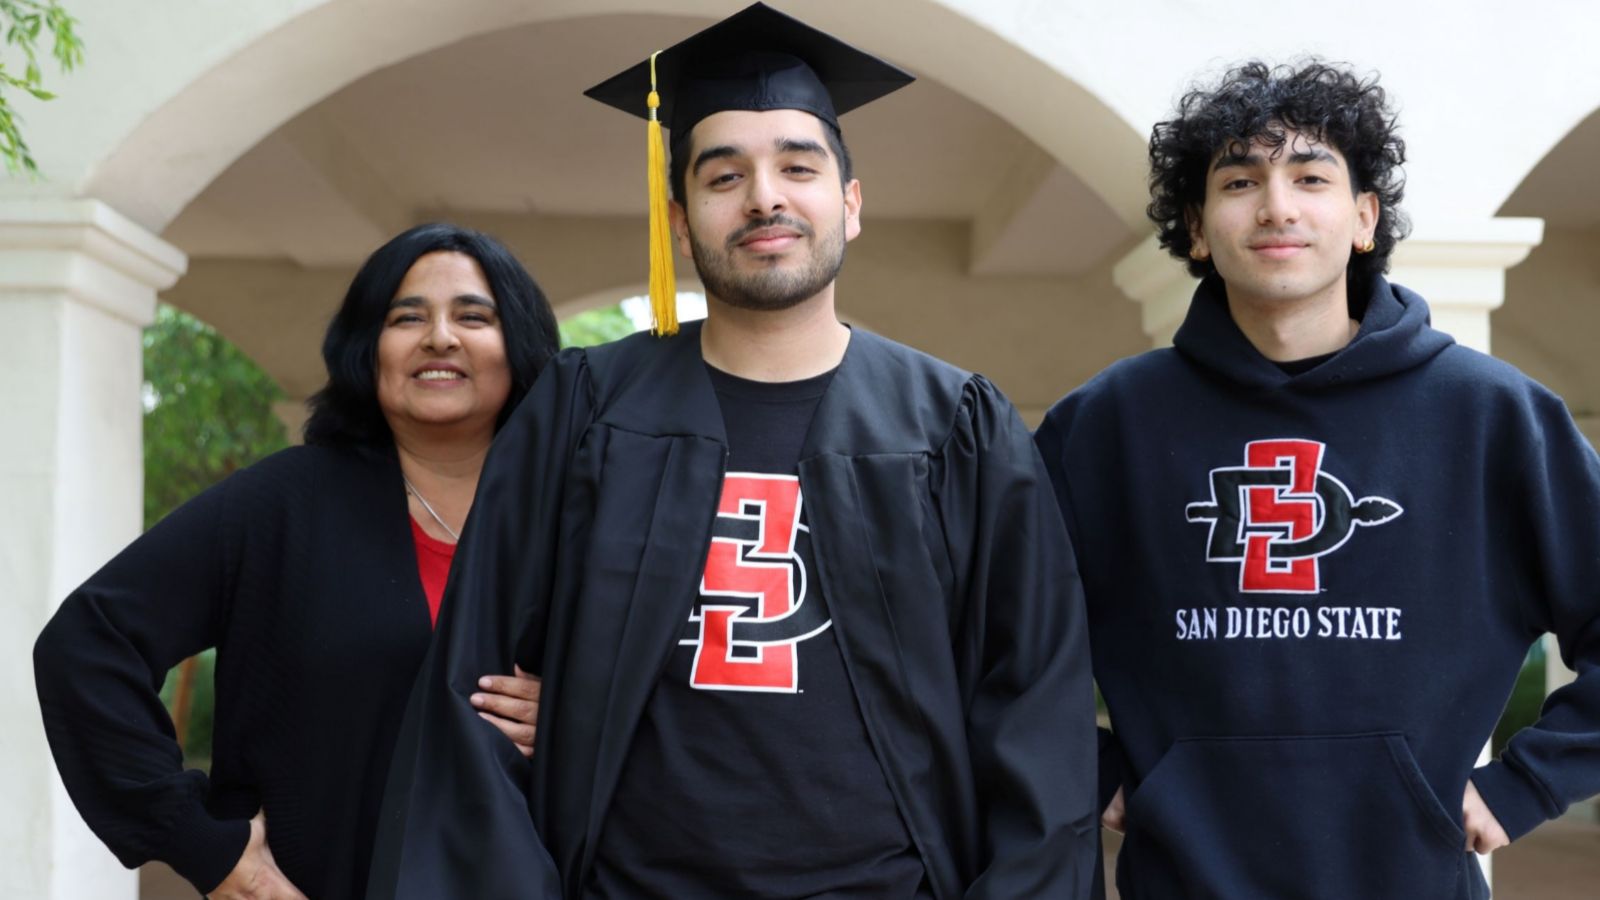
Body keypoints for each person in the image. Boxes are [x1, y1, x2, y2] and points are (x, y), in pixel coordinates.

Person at [367, 5, 1098, 899]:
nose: (765, 196)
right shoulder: (584, 409)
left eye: (799, 165)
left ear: (851, 204)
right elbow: (472, 698)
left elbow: (1036, 709)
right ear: (680, 220)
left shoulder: (955, 428)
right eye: (724, 175)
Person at [1033, 61, 1600, 900]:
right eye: (1239, 180)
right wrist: (1092, 766)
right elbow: (988, 633)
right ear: (1195, 228)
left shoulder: (1492, 417)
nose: (1277, 206)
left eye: (1310, 176)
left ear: (1364, 217)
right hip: (1179, 882)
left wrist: (1525, 787)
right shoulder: (1106, 425)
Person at [34, 222, 561, 899]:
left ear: (517, 344)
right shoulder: (284, 503)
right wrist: (206, 847)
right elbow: (87, 643)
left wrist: (579, 721)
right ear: (367, 349)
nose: (440, 337)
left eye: (473, 316)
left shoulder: (576, 515)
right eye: (407, 317)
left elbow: (685, 693)